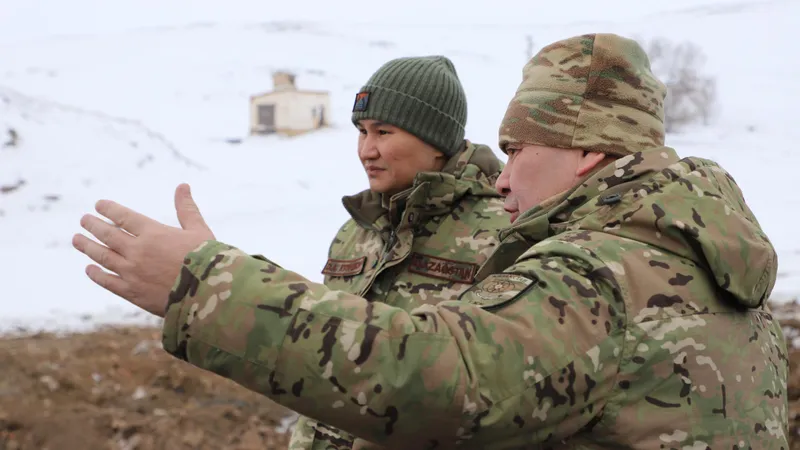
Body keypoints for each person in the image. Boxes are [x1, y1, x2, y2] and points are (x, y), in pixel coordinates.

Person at [72, 33, 789, 448]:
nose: (505, 179)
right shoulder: (697, 248)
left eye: (518, 151)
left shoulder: (597, 269)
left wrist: (205, 288)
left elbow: (439, 376)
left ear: (588, 150)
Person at [73, 55, 512, 450]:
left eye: (384, 132)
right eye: (361, 131)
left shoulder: (501, 233)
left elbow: (482, 390)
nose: (366, 150)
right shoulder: (357, 231)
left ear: (436, 140)